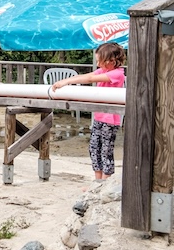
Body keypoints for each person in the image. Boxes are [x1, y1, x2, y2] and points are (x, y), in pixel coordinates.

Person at [52, 42, 126, 181]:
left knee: (106, 150)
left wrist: (65, 82)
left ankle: (104, 181)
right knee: (94, 148)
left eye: (100, 61)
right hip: (99, 116)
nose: (97, 64)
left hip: (110, 119)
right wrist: (66, 81)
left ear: (111, 61)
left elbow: (90, 79)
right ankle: (97, 181)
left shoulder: (117, 74)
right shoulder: (104, 70)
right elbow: (88, 75)